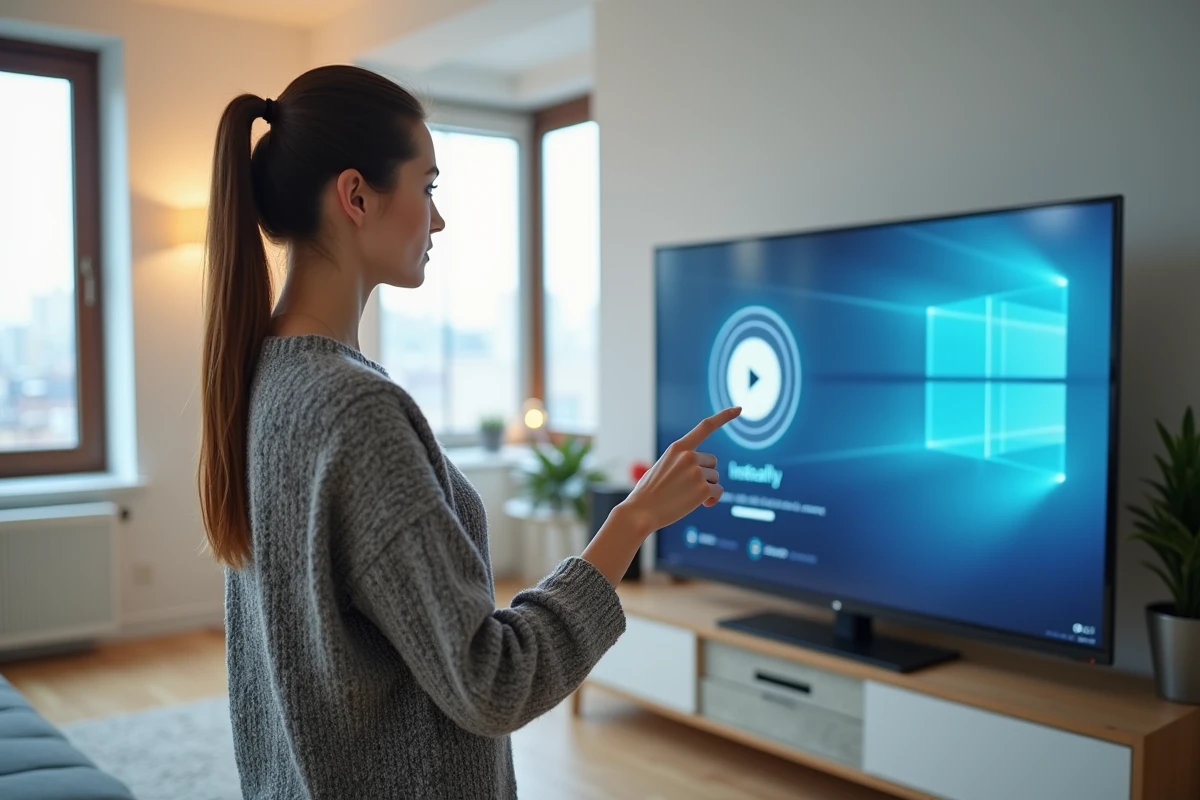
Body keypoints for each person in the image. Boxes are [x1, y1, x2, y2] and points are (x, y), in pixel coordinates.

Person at [197, 64, 740, 800]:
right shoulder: (356, 411)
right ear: (356, 196)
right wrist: (633, 519)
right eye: (428, 188)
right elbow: (492, 682)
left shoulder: (263, 377)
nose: (438, 219)